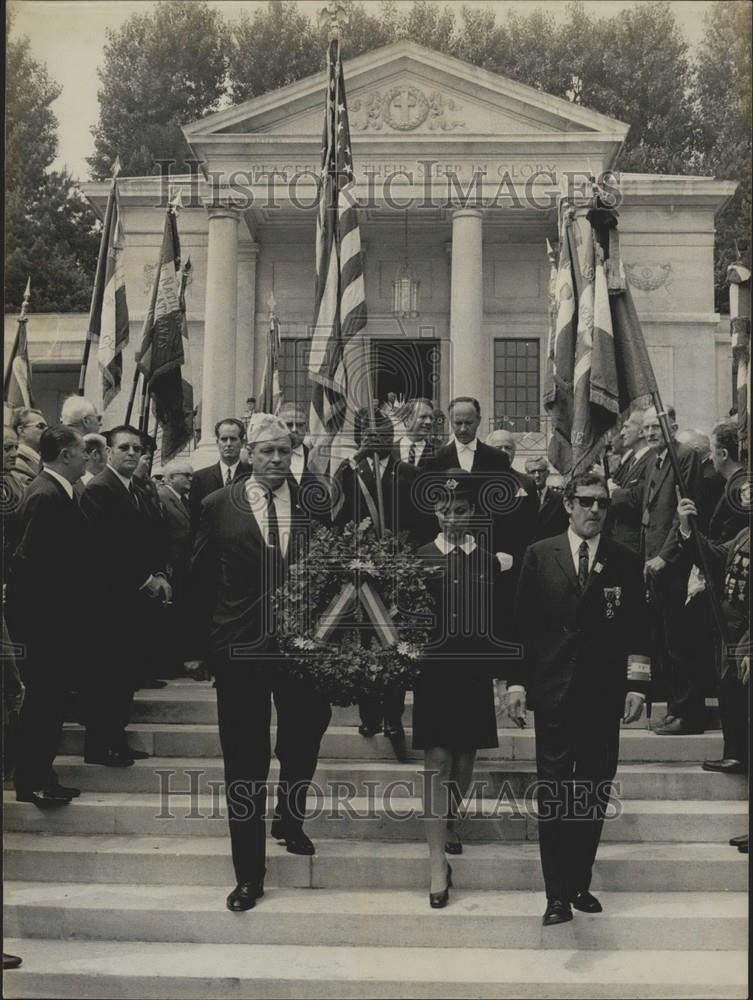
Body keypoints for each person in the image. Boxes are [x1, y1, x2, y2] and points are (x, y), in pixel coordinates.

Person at [187, 414, 331, 911]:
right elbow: (200, 580)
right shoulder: (216, 505)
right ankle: (249, 873)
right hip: (241, 651)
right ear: (248, 452)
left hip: (301, 649)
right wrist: (205, 648)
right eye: (266, 451)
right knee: (244, 760)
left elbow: (329, 574)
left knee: (304, 736)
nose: (275, 460)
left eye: (283, 451)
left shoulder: (315, 502)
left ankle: (290, 817)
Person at [507, 472, 651, 926]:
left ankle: (578, 882)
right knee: (553, 794)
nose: (594, 511)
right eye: (586, 502)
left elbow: (639, 627)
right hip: (553, 694)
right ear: (568, 504)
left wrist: (636, 684)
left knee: (592, 791)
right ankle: (555, 895)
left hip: (602, 696)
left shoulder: (624, 559)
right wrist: (516, 682)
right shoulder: (539, 554)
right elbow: (521, 625)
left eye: (602, 504)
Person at [414, 472, 510, 908]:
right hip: (434, 673)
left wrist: (504, 677)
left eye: (461, 510)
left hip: (472, 673)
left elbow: (498, 621)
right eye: (445, 511)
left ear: (473, 513)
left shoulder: (488, 561)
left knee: (465, 759)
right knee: (438, 759)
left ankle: (451, 818)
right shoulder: (420, 558)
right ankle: (437, 864)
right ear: (435, 512)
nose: (452, 518)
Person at [334, 408, 432, 747]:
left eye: (383, 432)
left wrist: (406, 557)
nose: (377, 438)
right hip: (360, 574)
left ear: (392, 436)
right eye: (369, 432)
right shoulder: (348, 472)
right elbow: (334, 517)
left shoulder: (410, 473)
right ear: (360, 436)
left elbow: (424, 523)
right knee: (363, 643)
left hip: (398, 572)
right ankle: (369, 716)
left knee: (394, 645)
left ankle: (393, 718)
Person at [6, 425, 90, 806]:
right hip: (43, 625)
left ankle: (43, 774)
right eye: (83, 450)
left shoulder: (61, 491)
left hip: (56, 621)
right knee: (42, 704)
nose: (88, 456)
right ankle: (32, 780)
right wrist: (48, 620)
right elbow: (28, 562)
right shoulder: (45, 494)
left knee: (51, 703)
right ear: (67, 455)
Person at [80, 425, 172, 766]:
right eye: (124, 448)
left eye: (137, 448)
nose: (131, 453)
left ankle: (115, 738)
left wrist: (158, 573)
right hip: (107, 602)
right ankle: (101, 744)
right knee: (107, 676)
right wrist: (143, 578)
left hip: (130, 601)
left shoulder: (134, 488)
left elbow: (145, 540)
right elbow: (102, 550)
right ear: (108, 453)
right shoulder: (100, 490)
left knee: (123, 675)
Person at [677, 497, 749, 823]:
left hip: (746, 639)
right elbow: (714, 557)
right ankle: (736, 754)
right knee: (730, 693)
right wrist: (686, 526)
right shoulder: (746, 534)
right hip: (733, 634)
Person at [635, 406, 703, 735]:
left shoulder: (684, 456)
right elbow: (648, 513)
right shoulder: (653, 459)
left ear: (671, 426)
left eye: (655, 427)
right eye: (645, 427)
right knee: (666, 641)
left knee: (680, 642)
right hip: (653, 564)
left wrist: (666, 555)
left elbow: (684, 511)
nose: (649, 433)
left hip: (674, 564)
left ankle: (688, 714)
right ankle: (676, 708)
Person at [158, 459, 194, 678]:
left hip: (182, 566)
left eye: (191, 475)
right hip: (172, 567)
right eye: (185, 475)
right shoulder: (163, 498)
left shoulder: (182, 500)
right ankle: (167, 664)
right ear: (171, 478)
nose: (190, 479)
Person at [188, 418, 251, 533]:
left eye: (233, 439)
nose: (228, 444)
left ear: (242, 443)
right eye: (224, 439)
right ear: (217, 443)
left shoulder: (252, 475)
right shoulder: (200, 478)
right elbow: (195, 520)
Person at [606, 409, 654, 553]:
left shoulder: (652, 459)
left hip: (634, 543)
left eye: (626, 427)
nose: (621, 433)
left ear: (641, 433)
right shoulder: (633, 460)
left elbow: (641, 497)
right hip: (621, 539)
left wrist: (612, 492)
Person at [524, 456, 568, 542]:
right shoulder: (521, 498)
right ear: (526, 475)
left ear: (547, 473)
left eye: (540, 471)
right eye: (532, 472)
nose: (537, 475)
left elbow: (564, 527)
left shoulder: (560, 499)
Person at [10, 408, 47, 489]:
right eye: (41, 426)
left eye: (47, 427)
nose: (46, 430)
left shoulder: (40, 460)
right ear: (21, 430)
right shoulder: (15, 462)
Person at [393, 397, 435, 468]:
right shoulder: (390, 451)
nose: (428, 422)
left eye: (431, 418)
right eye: (423, 417)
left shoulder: (437, 454)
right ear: (407, 420)